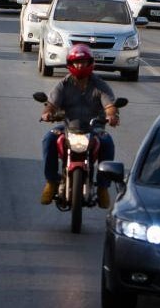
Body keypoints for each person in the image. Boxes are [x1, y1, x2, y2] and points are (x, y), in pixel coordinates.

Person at [39, 44, 120, 208]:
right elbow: (51, 103)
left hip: (94, 129)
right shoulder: (63, 84)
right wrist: (47, 113)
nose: (80, 65)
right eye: (77, 62)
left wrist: (112, 116)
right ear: (70, 63)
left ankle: (103, 188)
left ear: (90, 63)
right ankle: (51, 182)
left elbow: (109, 105)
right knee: (48, 139)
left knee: (107, 142)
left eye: (83, 62)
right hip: (69, 127)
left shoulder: (99, 84)